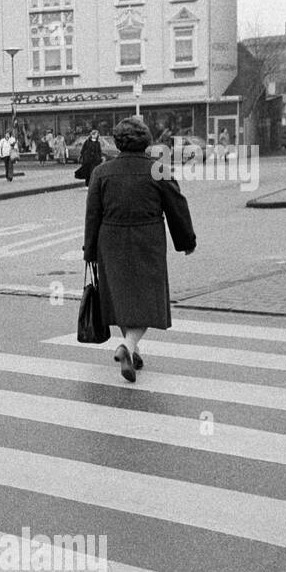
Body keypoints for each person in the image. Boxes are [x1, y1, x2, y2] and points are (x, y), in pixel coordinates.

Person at [82, 116, 196, 383]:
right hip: (147, 240)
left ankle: (133, 352)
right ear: (146, 141)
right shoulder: (158, 170)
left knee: (122, 298)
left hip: (111, 241)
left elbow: (92, 215)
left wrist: (90, 251)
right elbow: (177, 207)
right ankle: (128, 346)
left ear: (118, 142)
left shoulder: (101, 172)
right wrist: (186, 241)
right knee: (146, 300)